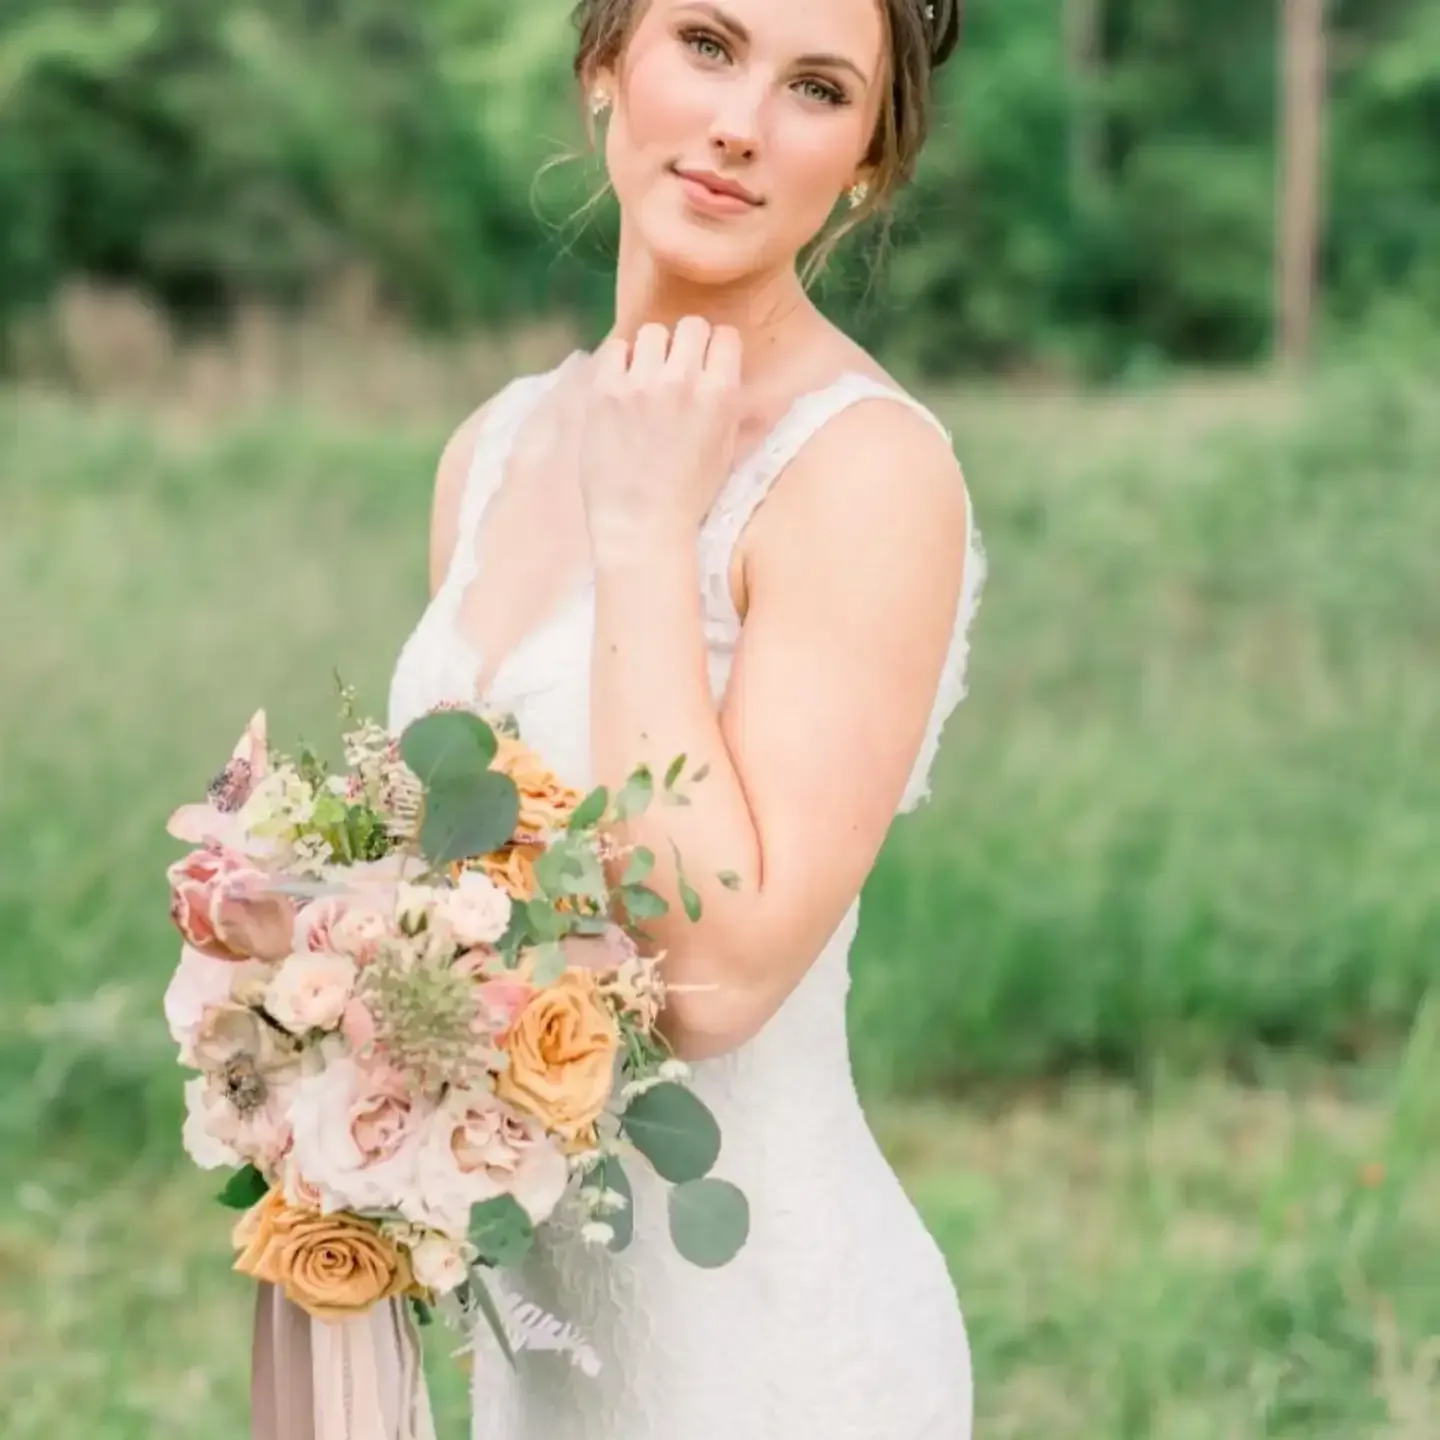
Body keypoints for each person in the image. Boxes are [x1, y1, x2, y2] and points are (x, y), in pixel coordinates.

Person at [386, 0, 985, 1435]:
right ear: (606, 68)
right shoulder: (497, 445)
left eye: (818, 88)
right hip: (545, 1341)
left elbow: (709, 982)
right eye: (708, 45)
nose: (741, 121)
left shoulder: (867, 476)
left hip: (767, 1353)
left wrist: (650, 531)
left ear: (864, 169)